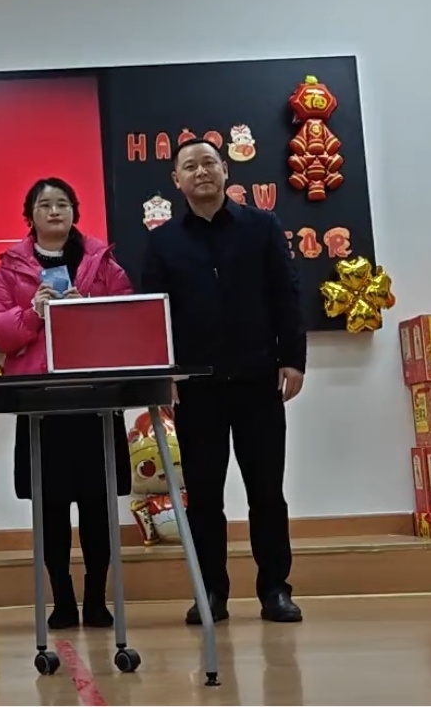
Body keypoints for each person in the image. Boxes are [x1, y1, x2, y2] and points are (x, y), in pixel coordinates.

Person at [141, 133, 306, 626]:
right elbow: (154, 314)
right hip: (197, 387)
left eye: (209, 163)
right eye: (190, 166)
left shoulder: (261, 226)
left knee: (266, 492)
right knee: (204, 495)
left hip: (258, 380)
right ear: (177, 180)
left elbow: (286, 294)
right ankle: (210, 591)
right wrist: (163, 374)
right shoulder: (163, 241)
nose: (201, 172)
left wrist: (293, 359)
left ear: (225, 171)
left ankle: (275, 589)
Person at [0, 178, 133, 630]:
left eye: (62, 203)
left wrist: (88, 311)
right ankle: (62, 600)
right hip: (40, 402)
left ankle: (96, 599)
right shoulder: (10, 270)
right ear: (30, 215)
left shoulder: (102, 263)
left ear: (75, 212)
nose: (54, 211)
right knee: (50, 508)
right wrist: (32, 312)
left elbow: (128, 318)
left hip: (95, 399)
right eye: (44, 204)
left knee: (98, 506)